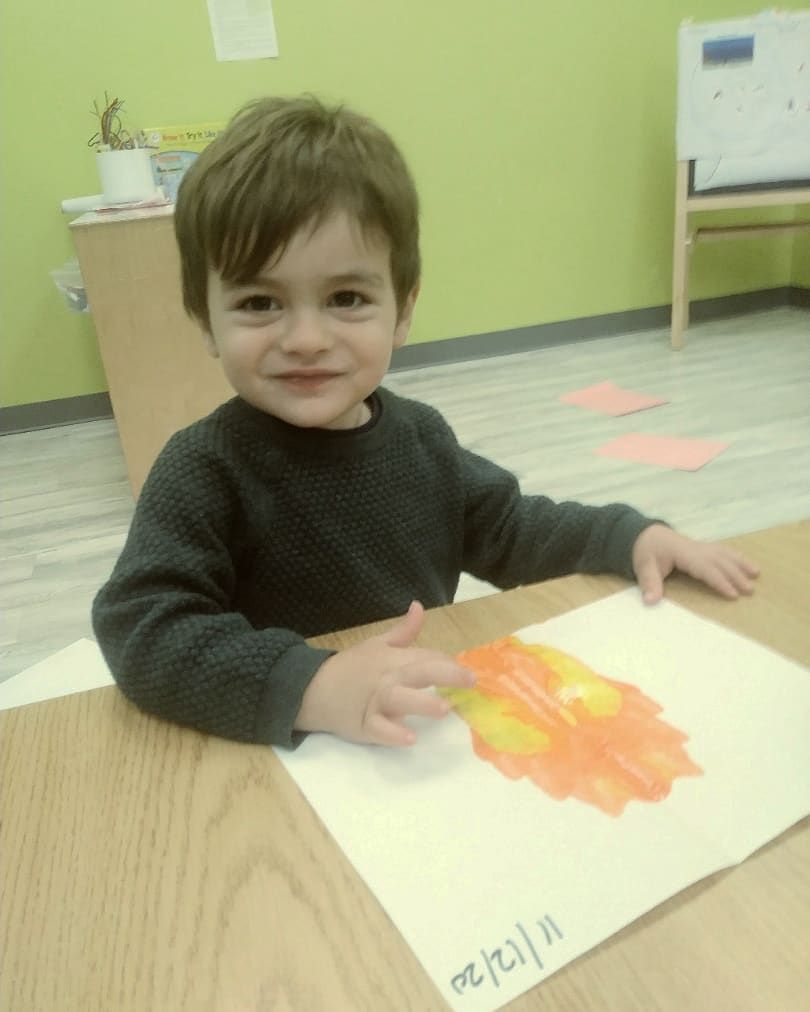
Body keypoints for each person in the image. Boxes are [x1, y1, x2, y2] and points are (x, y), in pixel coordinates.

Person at [92, 95, 759, 751]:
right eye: (260, 302)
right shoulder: (203, 468)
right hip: (279, 753)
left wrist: (629, 535)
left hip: (414, 736)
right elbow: (142, 629)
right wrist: (312, 686)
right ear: (205, 319)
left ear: (403, 309)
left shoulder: (422, 439)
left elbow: (511, 528)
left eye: (346, 298)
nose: (305, 337)